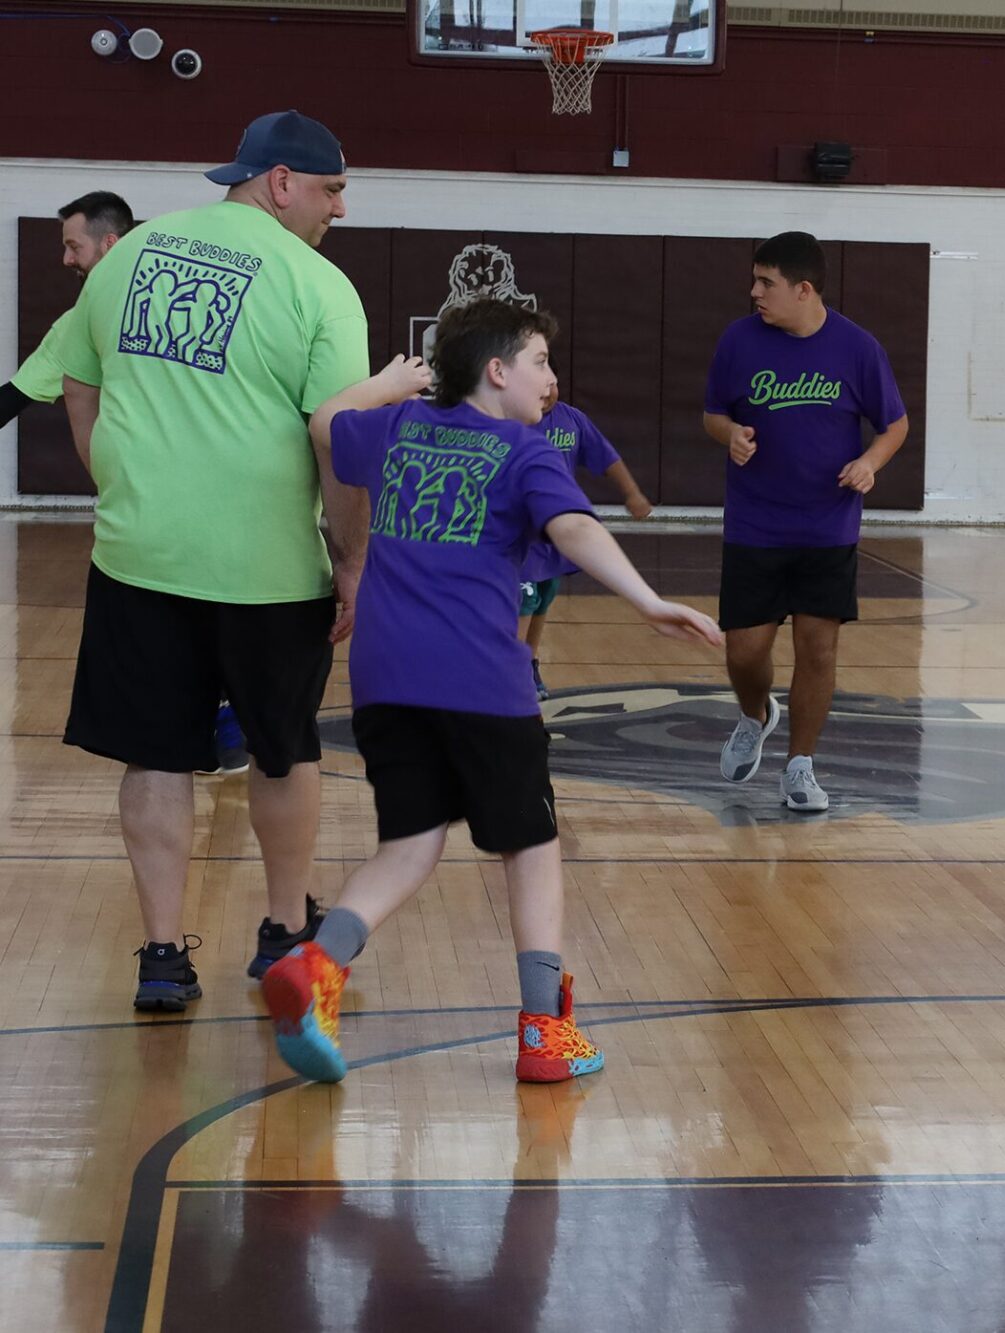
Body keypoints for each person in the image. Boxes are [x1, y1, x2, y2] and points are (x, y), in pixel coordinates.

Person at [265, 299, 721, 1085]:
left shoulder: (395, 429)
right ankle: (545, 1030)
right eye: (540, 361)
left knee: (409, 842)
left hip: (383, 679)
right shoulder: (527, 450)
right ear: (498, 370)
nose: (551, 380)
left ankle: (315, 965)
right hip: (479, 677)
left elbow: (325, 422)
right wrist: (646, 598)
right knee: (533, 846)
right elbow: (574, 529)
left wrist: (385, 381)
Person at [56, 111, 367, 1010]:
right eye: (332, 189)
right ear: (280, 182)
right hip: (267, 571)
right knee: (283, 748)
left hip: (137, 553)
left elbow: (77, 378)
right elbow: (339, 438)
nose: (338, 209)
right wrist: (351, 563)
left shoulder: (126, 256)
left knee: (154, 756)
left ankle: (161, 955)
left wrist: (110, 476)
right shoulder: (317, 284)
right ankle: (281, 935)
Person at [702, 231, 909, 813]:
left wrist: (869, 463)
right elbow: (714, 413)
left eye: (765, 283)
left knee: (818, 650)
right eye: (755, 281)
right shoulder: (738, 341)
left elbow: (894, 425)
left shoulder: (858, 348)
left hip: (828, 527)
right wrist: (731, 434)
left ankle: (800, 766)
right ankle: (755, 714)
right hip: (755, 524)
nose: (754, 293)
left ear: (804, 289)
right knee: (744, 652)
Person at [519, 383, 655, 700]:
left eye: (552, 382)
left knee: (542, 600)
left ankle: (530, 663)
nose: (548, 390)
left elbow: (607, 457)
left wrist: (632, 492)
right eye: (539, 384)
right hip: (522, 534)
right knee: (523, 603)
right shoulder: (512, 421)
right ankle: (514, 674)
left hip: (556, 532)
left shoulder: (572, 420)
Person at [0, 191, 132, 430]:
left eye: (74, 247)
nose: (67, 260)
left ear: (109, 243)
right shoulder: (78, 322)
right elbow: (12, 398)